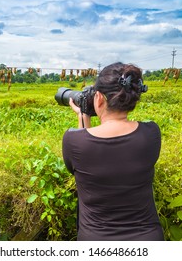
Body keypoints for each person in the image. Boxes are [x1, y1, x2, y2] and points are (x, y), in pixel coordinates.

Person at [62, 62, 164, 241]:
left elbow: (82, 154)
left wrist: (83, 115)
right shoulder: (151, 134)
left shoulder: (73, 141)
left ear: (99, 98)